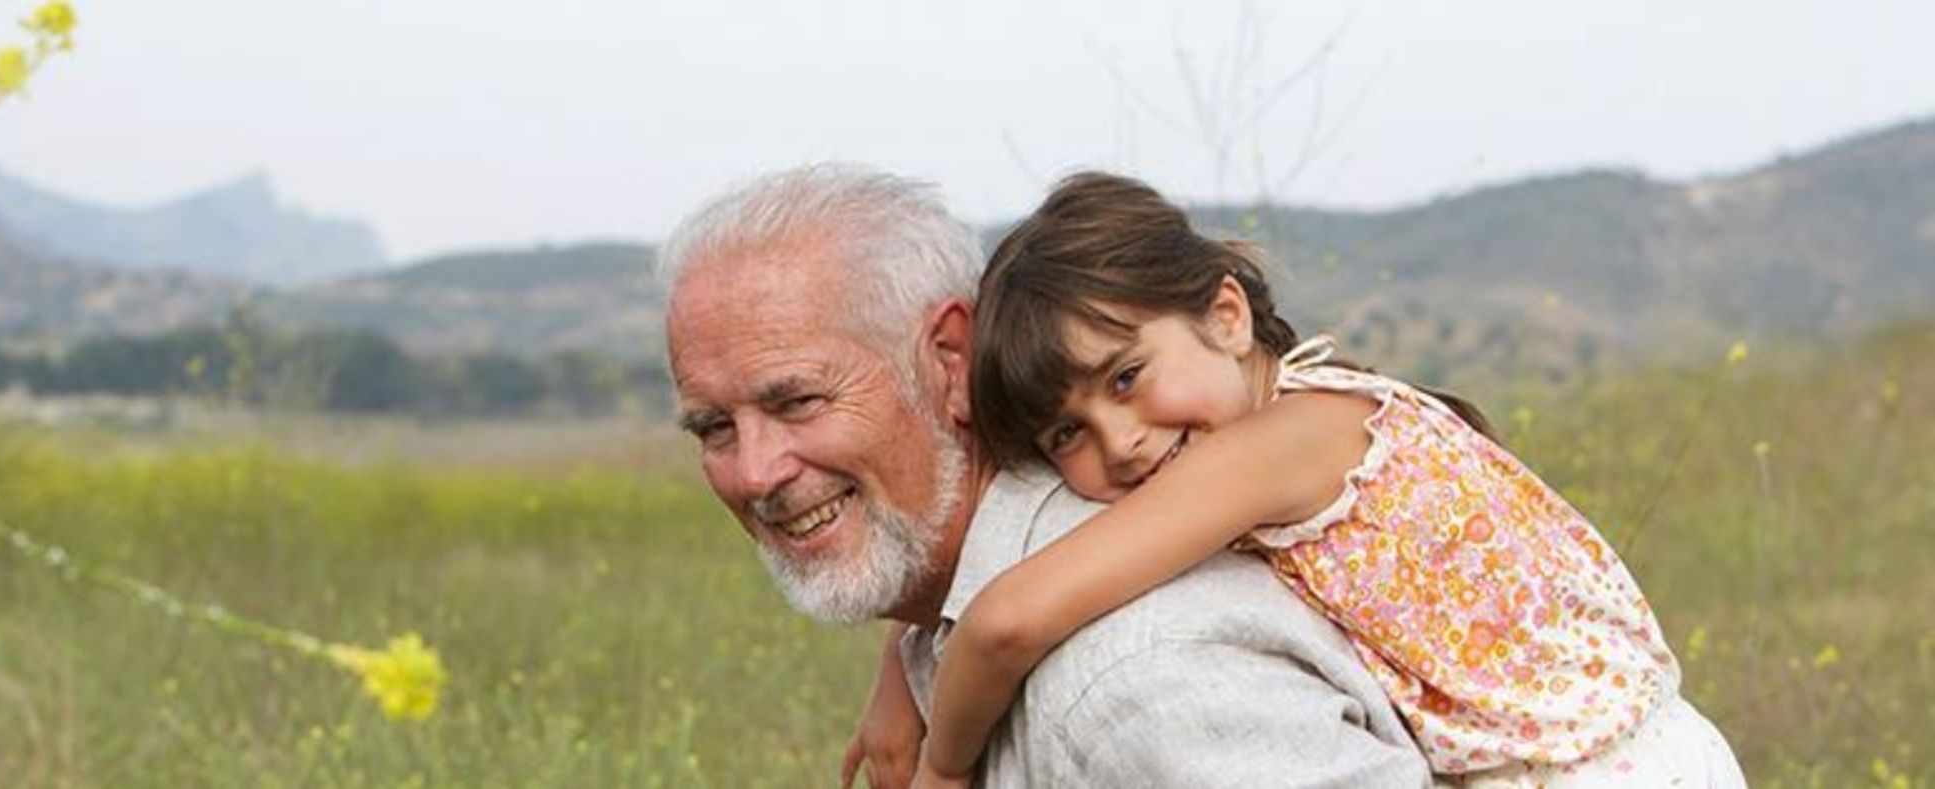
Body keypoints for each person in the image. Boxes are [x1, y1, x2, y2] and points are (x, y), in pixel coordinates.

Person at [895, 171, 1745, 787]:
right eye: (1065, 430)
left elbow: (1007, 620)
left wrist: (942, 762)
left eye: (1126, 376)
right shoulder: (1298, 405)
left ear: (1226, 316)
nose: (1120, 441)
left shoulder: (1275, 447)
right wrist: (901, 666)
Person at [660, 163, 1433, 786]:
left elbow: (1016, 621)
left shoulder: (1137, 676)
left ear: (949, 362)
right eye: (714, 428)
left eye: (797, 400)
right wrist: (903, 657)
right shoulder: (984, 587)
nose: (757, 473)